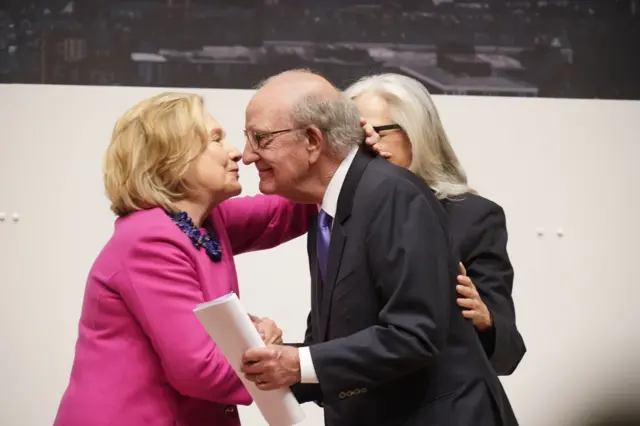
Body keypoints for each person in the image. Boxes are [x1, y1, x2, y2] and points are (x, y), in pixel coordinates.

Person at [238, 70, 517, 426]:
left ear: (312, 140)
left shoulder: (392, 196)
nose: (247, 156)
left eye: (260, 139)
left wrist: (296, 364)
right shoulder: (331, 209)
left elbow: (413, 335)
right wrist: (267, 362)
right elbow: (338, 339)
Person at [53, 92, 318, 426]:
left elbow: (290, 209)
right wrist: (275, 354)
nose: (236, 151)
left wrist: (344, 159)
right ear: (171, 159)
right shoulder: (150, 239)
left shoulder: (206, 221)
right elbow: (201, 370)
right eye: (216, 140)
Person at [345, 72, 526, 375]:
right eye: (352, 137)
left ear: (416, 134)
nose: (365, 147)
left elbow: (508, 354)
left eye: (374, 132)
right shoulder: (341, 219)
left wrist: (484, 319)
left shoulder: (473, 218)